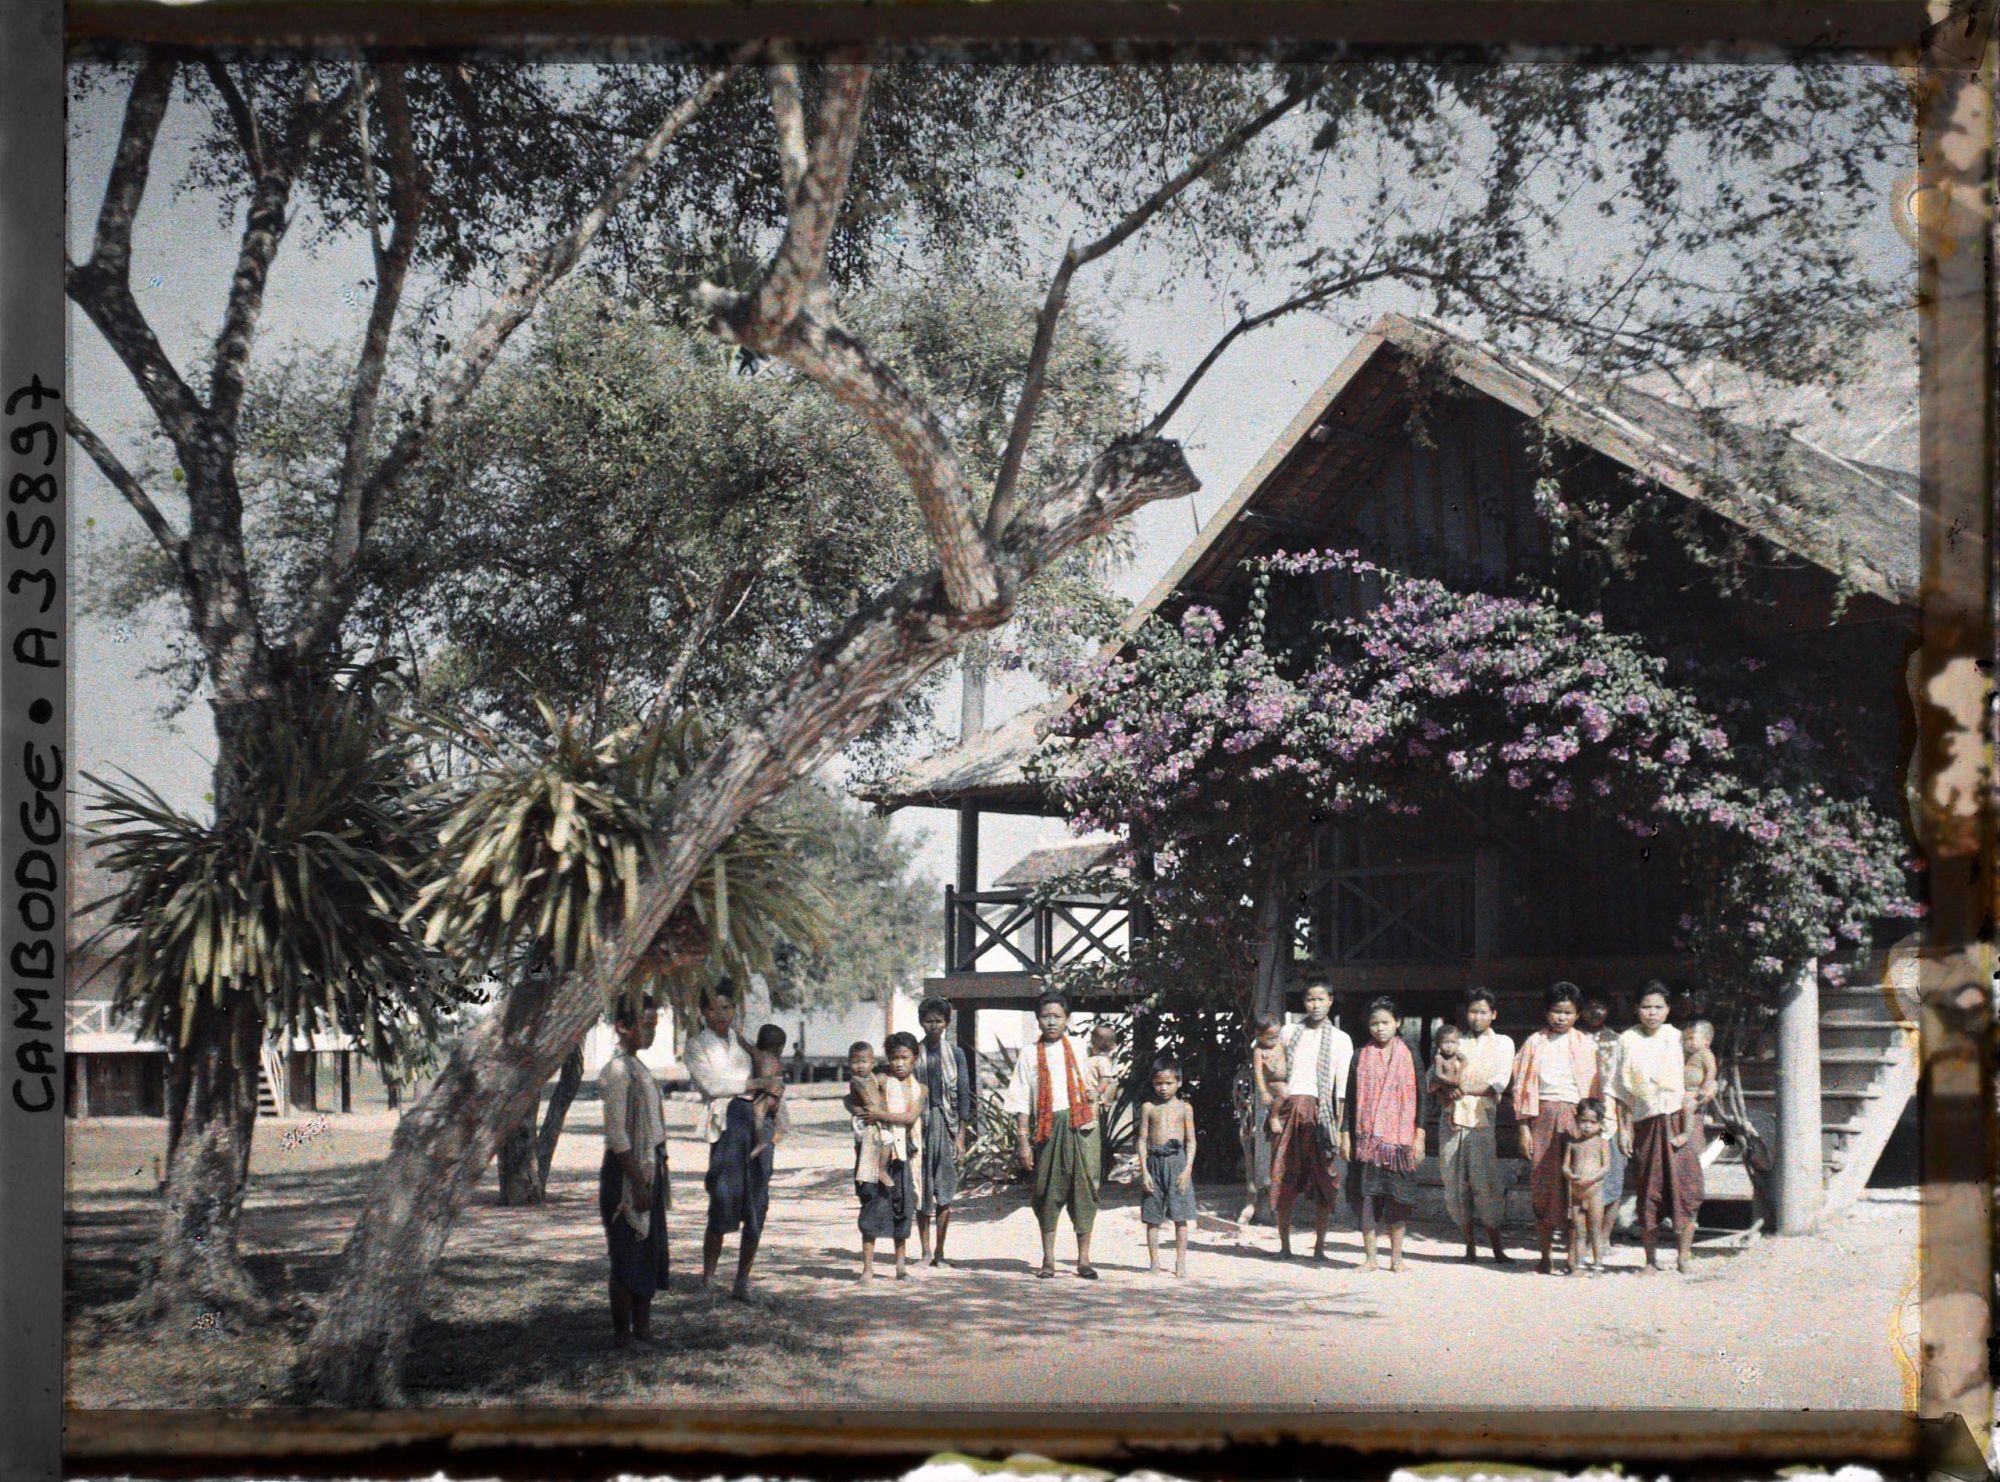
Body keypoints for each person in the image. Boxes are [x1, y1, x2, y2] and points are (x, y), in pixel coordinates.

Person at [685, 981, 784, 1300]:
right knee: (723, 1197)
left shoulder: (743, 1044)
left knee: (757, 1202)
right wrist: (755, 1082)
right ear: (703, 1012)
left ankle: (742, 1280)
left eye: (727, 1007)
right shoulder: (696, 1046)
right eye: (714, 1008)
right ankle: (709, 1278)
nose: (722, 1014)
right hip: (726, 1123)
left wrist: (773, 1102)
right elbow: (712, 1084)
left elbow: (771, 1074)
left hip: (756, 1120)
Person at [1002, 991, 1103, 1279]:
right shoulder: (1029, 1054)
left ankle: (1084, 1259)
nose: (1051, 1022)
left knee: (1085, 1189)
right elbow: (1021, 1100)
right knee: (1046, 1190)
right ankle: (1048, 1260)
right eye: (1045, 1016)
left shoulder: (1081, 1048)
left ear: (1067, 1019)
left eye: (1057, 1016)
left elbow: (1095, 1086)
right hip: (1047, 1128)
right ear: (1037, 1019)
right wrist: (1023, 1141)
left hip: (1081, 1127)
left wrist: (1095, 1099)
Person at [1607, 982, 1701, 1273]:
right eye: (1646, 1007)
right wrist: (1624, 1129)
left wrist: (1696, 1096)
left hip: (1678, 1120)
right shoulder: (1626, 1040)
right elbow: (1620, 1090)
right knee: (1649, 1188)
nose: (1652, 1013)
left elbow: (1700, 1072)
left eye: (1658, 1007)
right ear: (1636, 1009)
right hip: (1644, 1122)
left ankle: (1684, 1256)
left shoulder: (1677, 1037)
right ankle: (1650, 1259)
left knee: (1685, 1186)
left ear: (1668, 1009)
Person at [1511, 981, 1602, 1275]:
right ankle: (1545, 1255)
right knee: (1544, 1186)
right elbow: (1522, 1088)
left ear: (1577, 1014)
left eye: (1568, 1012)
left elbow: (1595, 1091)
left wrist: (1594, 1128)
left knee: (1575, 1188)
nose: (1561, 1018)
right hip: (1544, 1116)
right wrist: (1525, 1128)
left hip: (1577, 1118)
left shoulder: (1587, 1044)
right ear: (1546, 1012)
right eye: (1556, 1011)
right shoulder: (1534, 1043)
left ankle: (1574, 1259)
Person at [598, 994, 669, 1348]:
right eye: (644, 1024)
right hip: (626, 1171)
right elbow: (616, 1133)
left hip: (648, 1166)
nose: (650, 1032)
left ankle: (643, 1330)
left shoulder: (640, 1068)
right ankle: (622, 1336)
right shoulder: (617, 1071)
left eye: (654, 1026)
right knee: (626, 1253)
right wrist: (637, 1182)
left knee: (648, 1251)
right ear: (622, 1027)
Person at [1272, 979, 1352, 1261]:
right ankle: (1284, 1245)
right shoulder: (1289, 1032)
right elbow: (1275, 1075)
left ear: (1331, 1000)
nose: (1315, 1005)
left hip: (1322, 1114)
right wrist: (1273, 1112)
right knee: (1284, 1174)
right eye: (1310, 1000)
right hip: (1289, 1109)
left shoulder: (1341, 1039)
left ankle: (1320, 1247)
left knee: (1324, 1179)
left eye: (1321, 999)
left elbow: (1342, 1088)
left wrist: (1340, 1127)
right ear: (1303, 1002)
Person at [1344, 997, 1425, 1273]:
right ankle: (1370, 1258)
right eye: (1374, 1023)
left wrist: (1420, 1134)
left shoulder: (1410, 1053)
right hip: (1367, 1140)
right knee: (1366, 1197)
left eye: (1385, 1022)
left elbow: (1422, 1097)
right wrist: (1345, 1133)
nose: (1379, 1028)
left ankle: (1397, 1258)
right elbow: (1351, 1097)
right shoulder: (1360, 1056)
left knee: (1398, 1198)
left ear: (1398, 1023)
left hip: (1399, 1142)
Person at [855, 1032, 926, 1281]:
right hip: (876, 1154)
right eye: (894, 1058)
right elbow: (853, 1097)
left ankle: (901, 1268)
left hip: (904, 1154)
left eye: (904, 1058)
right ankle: (867, 1269)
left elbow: (909, 1118)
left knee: (902, 1209)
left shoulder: (921, 1090)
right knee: (871, 1207)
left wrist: (880, 1115)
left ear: (914, 1059)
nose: (899, 1063)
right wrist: (863, 1111)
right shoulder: (881, 1081)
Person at [914, 998, 976, 1268]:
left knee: (945, 1190)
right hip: (919, 1125)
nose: (934, 1025)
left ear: (947, 1023)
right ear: (921, 1022)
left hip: (948, 1126)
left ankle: (940, 1252)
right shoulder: (914, 1053)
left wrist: (961, 1134)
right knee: (921, 1189)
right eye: (929, 1020)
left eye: (939, 1021)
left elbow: (964, 1094)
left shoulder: (956, 1054)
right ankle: (925, 1251)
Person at [1138, 1054, 1198, 1277]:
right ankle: (1154, 1262)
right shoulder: (1148, 1107)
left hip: (1178, 1163)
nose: (1163, 1088)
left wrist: (1187, 1170)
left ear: (1179, 1082)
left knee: (1180, 1217)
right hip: (1154, 1163)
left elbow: (1191, 1140)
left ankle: (1180, 1262)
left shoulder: (1185, 1108)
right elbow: (1142, 1140)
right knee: (1152, 1217)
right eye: (1158, 1083)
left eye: (1168, 1083)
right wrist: (1144, 1172)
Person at [1579, 993, 1627, 1235]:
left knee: (1613, 1178)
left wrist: (1626, 1127)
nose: (1595, 1012)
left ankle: (1604, 1235)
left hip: (1610, 1119)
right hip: (1581, 1119)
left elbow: (1625, 1086)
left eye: (1600, 1007)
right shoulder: (1573, 1038)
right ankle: (1579, 1234)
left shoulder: (1617, 1041)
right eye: (1590, 1006)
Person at [1564, 1097, 1611, 1275]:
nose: (1587, 1126)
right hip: (1576, 1192)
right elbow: (1565, 1166)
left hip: (1594, 1192)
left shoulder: (1601, 1143)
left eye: (1592, 1122)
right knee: (1579, 1231)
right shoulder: (1573, 1144)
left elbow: (1606, 1167)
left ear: (1600, 1123)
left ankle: (1598, 1265)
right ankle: (1580, 1266)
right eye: (1583, 1121)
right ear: (1576, 1121)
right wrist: (1569, 1174)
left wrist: (1591, 1179)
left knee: (1595, 1230)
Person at [845, 1040, 893, 1185]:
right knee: (886, 1138)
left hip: (871, 1117)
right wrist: (881, 1116)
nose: (860, 1066)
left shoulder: (870, 1077)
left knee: (874, 1143)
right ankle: (881, 1170)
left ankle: (868, 1172)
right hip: (864, 1119)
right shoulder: (857, 1081)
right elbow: (868, 1102)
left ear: (872, 1063)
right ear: (849, 1064)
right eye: (855, 1062)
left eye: (864, 1061)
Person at [746, 1023, 791, 1162]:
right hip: (774, 1094)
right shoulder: (776, 1060)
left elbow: (747, 1046)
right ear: (781, 1047)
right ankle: (776, 1135)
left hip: (767, 1093)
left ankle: (762, 1141)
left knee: (758, 1113)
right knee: (778, 1115)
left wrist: (738, 1037)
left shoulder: (757, 1054)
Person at [1252, 1012, 1291, 1136]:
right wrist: (1263, 1092)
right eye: (1270, 1038)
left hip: (1287, 1079)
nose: (1274, 1040)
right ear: (1259, 1035)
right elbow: (1258, 1073)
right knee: (1284, 1092)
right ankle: (1273, 1116)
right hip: (1272, 1082)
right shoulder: (1259, 1051)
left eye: (1277, 1036)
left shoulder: (1281, 1044)